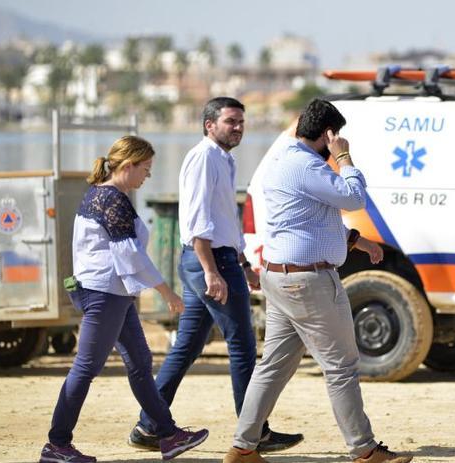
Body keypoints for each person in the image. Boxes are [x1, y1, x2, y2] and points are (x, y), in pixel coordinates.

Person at [224, 98, 412, 463]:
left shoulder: (281, 161)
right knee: (341, 366)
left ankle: (243, 446)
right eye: (336, 136)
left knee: (273, 366)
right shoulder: (308, 165)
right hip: (309, 282)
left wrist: (357, 240)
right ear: (329, 134)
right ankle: (364, 449)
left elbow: (309, 220)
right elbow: (355, 198)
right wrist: (344, 158)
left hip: (280, 277)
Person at [128, 97, 302, 453]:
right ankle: (255, 434)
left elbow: (224, 220)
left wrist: (243, 263)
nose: (237, 127)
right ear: (210, 125)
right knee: (242, 347)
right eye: (230, 121)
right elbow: (197, 222)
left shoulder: (223, 159)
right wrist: (213, 271)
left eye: (241, 121)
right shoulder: (204, 158)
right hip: (209, 261)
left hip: (218, 260)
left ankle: (148, 426)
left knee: (189, 346)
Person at [40, 136, 208, 463]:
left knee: (141, 364)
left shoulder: (107, 195)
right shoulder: (111, 199)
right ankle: (57, 444)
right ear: (128, 166)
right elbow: (129, 255)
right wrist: (166, 291)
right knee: (86, 368)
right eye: (145, 169)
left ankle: (168, 434)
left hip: (113, 293)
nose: (148, 175)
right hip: (104, 294)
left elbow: (126, 256)